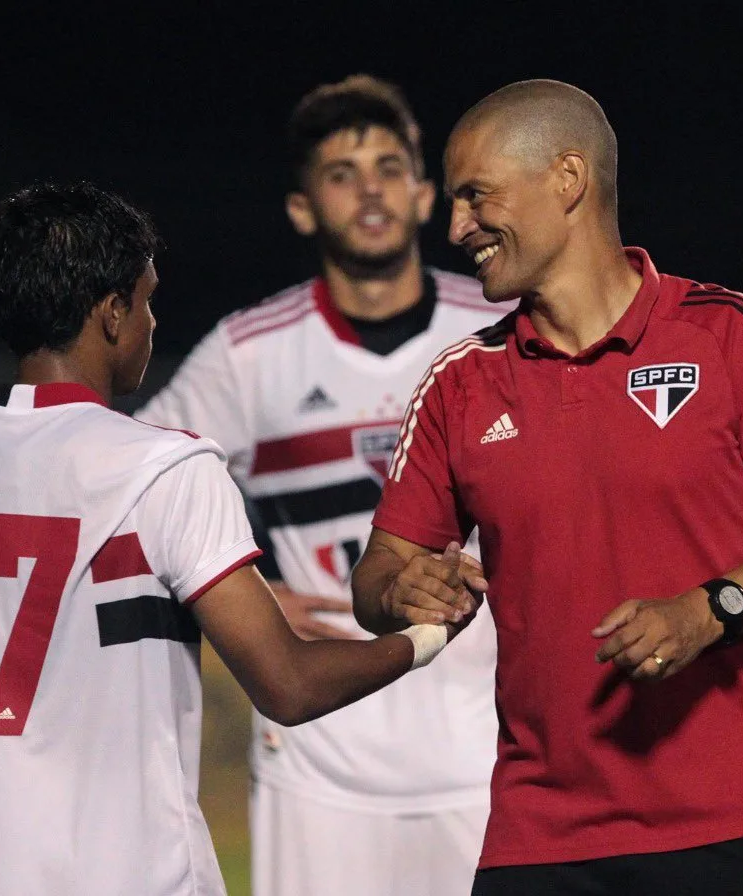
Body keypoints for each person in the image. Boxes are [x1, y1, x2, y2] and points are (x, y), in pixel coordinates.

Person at [0, 182, 460, 896]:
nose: (154, 322)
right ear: (113, 313)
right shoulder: (166, 468)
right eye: (148, 299)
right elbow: (288, 686)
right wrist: (424, 639)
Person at [352, 79, 743, 896]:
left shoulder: (725, 332)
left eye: (476, 195)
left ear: (568, 179)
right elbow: (378, 576)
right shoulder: (459, 384)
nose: (456, 228)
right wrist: (399, 589)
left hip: (739, 822)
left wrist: (709, 610)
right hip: (541, 840)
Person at [135, 75, 501, 896]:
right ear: (303, 208)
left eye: (388, 167)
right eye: (342, 174)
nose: (369, 190)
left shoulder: (495, 331)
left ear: (423, 194)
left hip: (490, 752)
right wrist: (241, 589)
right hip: (318, 767)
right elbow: (128, 484)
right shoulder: (250, 351)